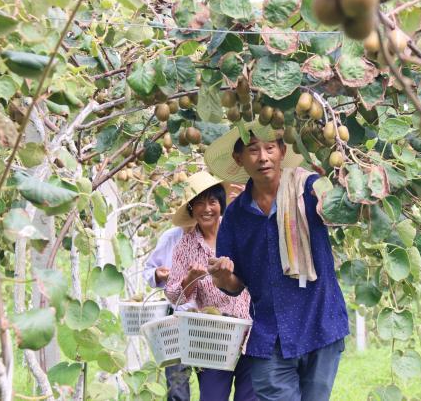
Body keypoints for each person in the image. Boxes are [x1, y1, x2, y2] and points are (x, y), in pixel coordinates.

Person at [204, 122, 349, 401]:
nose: (263, 157)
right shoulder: (235, 216)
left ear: (282, 151)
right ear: (239, 159)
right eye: (252, 150)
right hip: (271, 336)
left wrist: (333, 192)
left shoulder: (307, 188)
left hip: (321, 323)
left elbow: (335, 204)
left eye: (270, 148)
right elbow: (234, 286)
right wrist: (222, 277)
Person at [164, 171, 256, 401]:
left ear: (221, 204)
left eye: (213, 202)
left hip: (251, 333)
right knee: (212, 397)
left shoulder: (238, 230)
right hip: (213, 339)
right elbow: (173, 296)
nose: (207, 209)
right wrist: (190, 279)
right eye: (199, 204)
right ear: (191, 209)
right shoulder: (185, 246)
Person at [142, 225, 188, 400]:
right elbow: (149, 270)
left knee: (211, 387)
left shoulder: (219, 230)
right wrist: (157, 274)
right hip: (176, 320)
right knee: (177, 388)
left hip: (208, 321)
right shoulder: (172, 236)